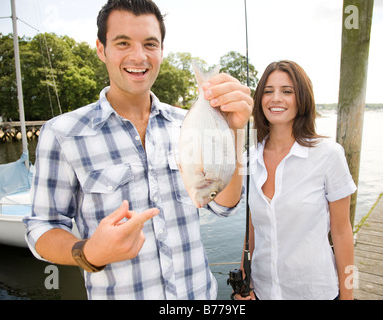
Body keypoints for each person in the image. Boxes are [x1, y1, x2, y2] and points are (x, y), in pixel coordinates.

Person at [23, 0, 253, 300]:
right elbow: (42, 226)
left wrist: (234, 133)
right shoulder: (62, 133)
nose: (139, 56)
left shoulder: (188, 124)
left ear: (161, 51)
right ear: (101, 49)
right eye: (122, 42)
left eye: (150, 43)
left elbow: (224, 206)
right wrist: (88, 252)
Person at [234, 60, 356, 300]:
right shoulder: (250, 158)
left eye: (287, 91)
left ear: (302, 99)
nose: (275, 98)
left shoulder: (329, 154)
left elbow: (342, 232)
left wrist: (348, 295)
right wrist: (242, 277)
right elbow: (253, 228)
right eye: (268, 91)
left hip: (314, 292)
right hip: (261, 292)